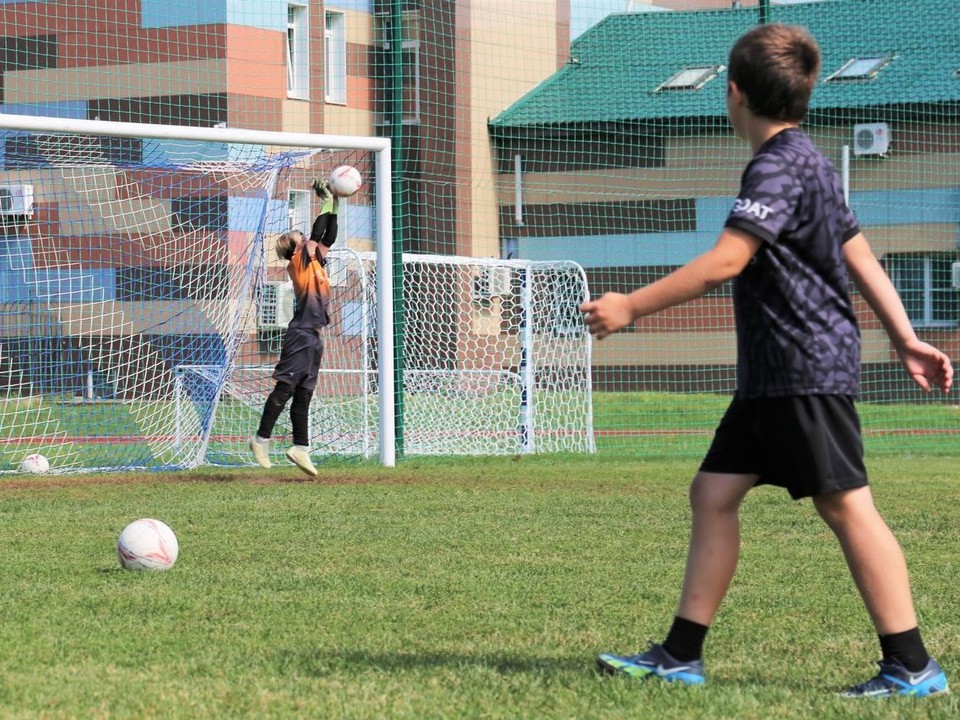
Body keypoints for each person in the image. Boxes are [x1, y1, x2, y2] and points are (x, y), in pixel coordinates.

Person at [582, 23, 953, 698]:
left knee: (848, 508)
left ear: (733, 93)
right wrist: (903, 336)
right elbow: (858, 254)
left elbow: (727, 260)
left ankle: (912, 665)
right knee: (714, 493)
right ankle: (680, 655)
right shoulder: (812, 160)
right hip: (775, 375)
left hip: (801, 367)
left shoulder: (779, 166)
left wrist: (631, 306)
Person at [250, 178, 340, 477]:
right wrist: (326, 201)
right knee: (285, 388)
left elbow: (328, 237)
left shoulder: (315, 262)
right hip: (300, 335)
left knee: (304, 396)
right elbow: (317, 232)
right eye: (303, 238)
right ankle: (261, 439)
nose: (309, 240)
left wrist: (335, 204)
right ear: (297, 247)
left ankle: (300, 447)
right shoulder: (298, 262)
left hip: (314, 338)